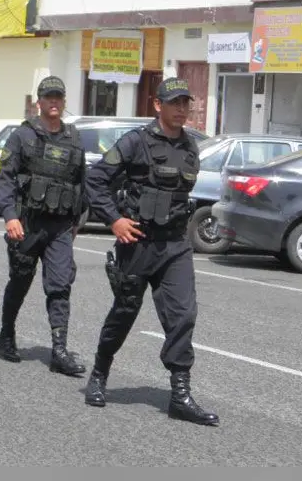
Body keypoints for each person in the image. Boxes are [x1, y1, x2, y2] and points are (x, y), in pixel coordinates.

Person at [83, 77, 218, 426]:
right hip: (137, 242)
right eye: (175, 102)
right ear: (158, 105)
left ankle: (180, 394)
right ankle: (99, 373)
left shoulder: (190, 147)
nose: (182, 109)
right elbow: (95, 181)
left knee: (183, 316)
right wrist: (114, 220)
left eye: (186, 103)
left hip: (174, 245)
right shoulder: (134, 143)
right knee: (124, 312)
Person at [0, 76, 87, 375]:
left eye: (59, 97)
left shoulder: (74, 138)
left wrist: (77, 222)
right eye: (49, 97)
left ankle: (59, 350)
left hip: (60, 225)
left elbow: (80, 183)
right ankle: (6, 334)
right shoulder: (23, 136)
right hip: (27, 223)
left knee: (60, 286)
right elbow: (5, 177)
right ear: (39, 102)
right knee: (20, 281)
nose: (54, 102)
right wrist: (10, 216)